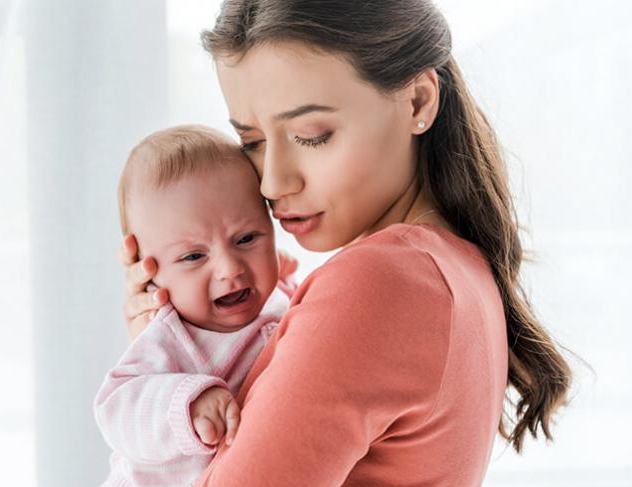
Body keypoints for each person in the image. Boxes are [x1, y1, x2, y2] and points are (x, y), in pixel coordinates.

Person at [118, 1, 573, 485]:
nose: (272, 183)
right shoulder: (454, 268)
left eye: (310, 135)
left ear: (418, 101)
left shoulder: (382, 282)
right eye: (252, 142)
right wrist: (179, 350)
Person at [94, 125, 298, 487]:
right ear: (148, 272)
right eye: (192, 256)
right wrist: (186, 404)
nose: (230, 268)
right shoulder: (170, 337)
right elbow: (116, 409)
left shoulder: (282, 299)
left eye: (246, 238)